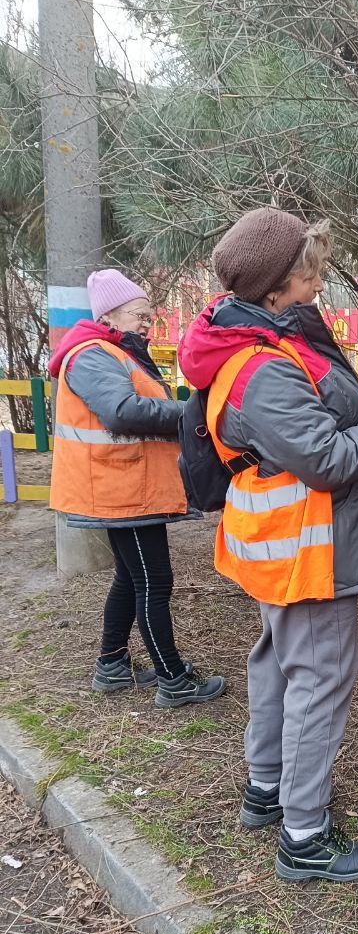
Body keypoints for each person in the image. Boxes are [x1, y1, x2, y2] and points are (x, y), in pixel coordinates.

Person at [178, 207, 358, 886]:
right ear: (273, 290)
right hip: (305, 552)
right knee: (318, 681)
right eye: (309, 275)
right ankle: (304, 836)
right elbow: (327, 456)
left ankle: (267, 790)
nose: (319, 285)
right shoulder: (262, 368)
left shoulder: (264, 343)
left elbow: (332, 406)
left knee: (275, 665)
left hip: (279, 548)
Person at [48, 269, 226, 709]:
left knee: (131, 578)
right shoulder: (93, 355)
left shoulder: (110, 352)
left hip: (123, 486)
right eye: (139, 315)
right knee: (154, 582)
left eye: (150, 315)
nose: (148, 324)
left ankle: (111, 665)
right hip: (121, 489)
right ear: (109, 314)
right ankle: (173, 679)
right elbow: (122, 411)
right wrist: (189, 415)